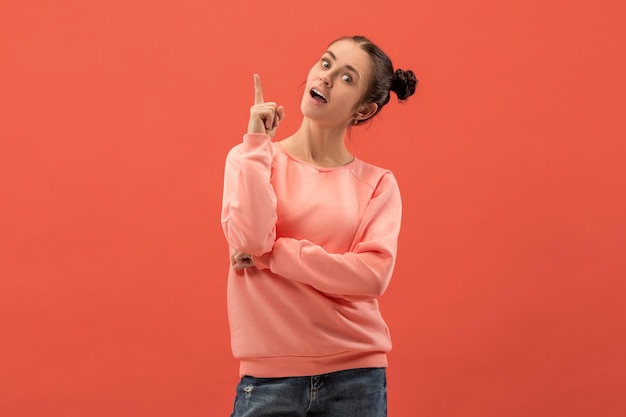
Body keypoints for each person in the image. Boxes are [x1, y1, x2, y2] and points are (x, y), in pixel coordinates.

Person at [221, 35, 417, 417]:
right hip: (268, 380)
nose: (326, 78)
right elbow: (249, 238)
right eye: (326, 64)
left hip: (357, 378)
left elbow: (371, 277)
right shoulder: (252, 157)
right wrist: (258, 144)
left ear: (363, 110)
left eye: (347, 78)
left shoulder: (378, 183)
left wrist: (274, 254)